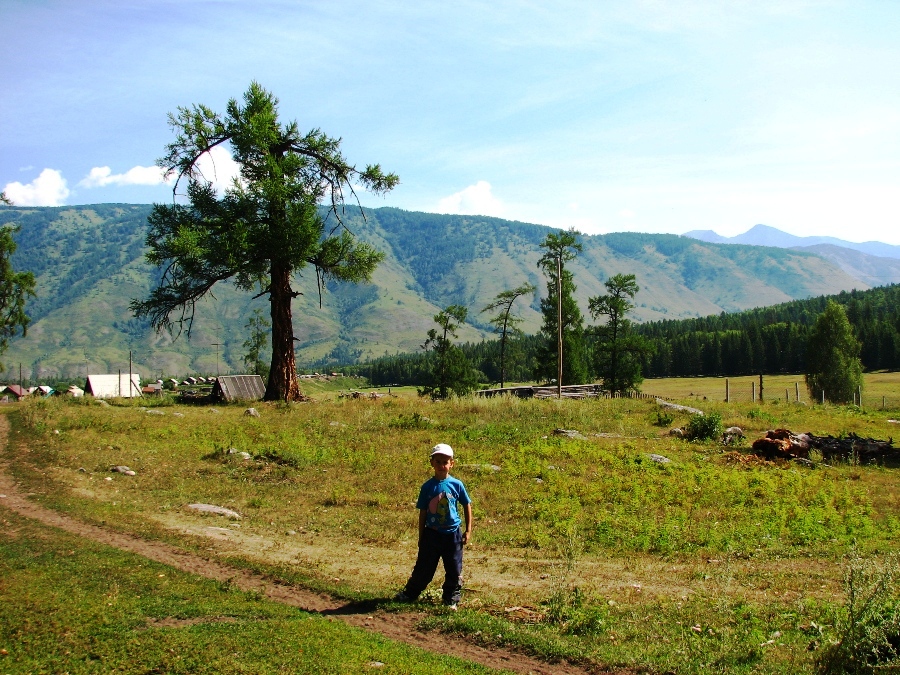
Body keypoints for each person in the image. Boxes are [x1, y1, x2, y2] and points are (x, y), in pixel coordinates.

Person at [395, 443, 472, 610]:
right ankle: (410, 593)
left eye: (445, 462)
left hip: (452, 534)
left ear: (452, 463)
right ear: (432, 463)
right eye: (438, 461)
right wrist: (421, 535)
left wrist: (468, 530)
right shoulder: (427, 487)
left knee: (453, 567)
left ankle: (450, 598)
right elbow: (423, 512)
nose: (441, 465)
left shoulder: (457, 485)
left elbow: (467, 505)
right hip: (432, 533)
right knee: (424, 566)